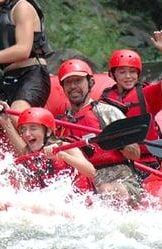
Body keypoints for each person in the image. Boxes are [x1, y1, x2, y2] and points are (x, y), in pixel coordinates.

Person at [55, 59, 142, 206]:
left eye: (78, 81)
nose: (73, 86)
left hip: (119, 178)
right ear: (63, 87)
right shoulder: (61, 123)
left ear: (90, 82)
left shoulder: (108, 113)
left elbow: (135, 154)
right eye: (68, 82)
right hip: (85, 181)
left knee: (107, 191)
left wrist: (116, 141)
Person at [100, 32, 162, 170]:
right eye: (122, 72)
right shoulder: (105, 99)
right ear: (112, 75)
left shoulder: (146, 93)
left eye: (132, 72)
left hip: (148, 160)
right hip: (120, 161)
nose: (128, 76)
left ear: (138, 74)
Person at [0, 103, 95, 192]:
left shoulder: (64, 147)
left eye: (33, 128)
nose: (27, 134)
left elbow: (91, 172)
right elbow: (22, 151)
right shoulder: (30, 153)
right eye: (23, 129)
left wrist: (62, 156)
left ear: (48, 131)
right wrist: (4, 121)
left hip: (80, 202)